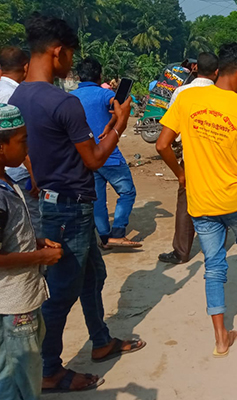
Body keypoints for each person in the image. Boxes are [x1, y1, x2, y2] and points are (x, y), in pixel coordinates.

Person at [9, 14, 145, 392]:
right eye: (69, 56)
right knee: (63, 290)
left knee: (93, 275)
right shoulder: (62, 102)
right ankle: (50, 368)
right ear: (58, 53)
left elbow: (34, 152)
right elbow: (94, 160)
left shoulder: (18, 96)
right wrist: (119, 123)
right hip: (71, 206)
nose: (70, 64)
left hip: (54, 199)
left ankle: (100, 340)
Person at [156, 42, 237, 357]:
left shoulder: (187, 99)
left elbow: (162, 145)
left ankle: (221, 337)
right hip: (236, 200)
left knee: (213, 264)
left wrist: (182, 175)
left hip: (201, 202)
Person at [0, 103, 64, 400]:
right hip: (14, 305)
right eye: (22, 140)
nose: (28, 146)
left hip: (22, 298)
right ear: (2, 147)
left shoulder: (7, 182)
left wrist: (34, 242)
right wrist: (39, 257)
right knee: (20, 378)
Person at [71, 57, 141, 249]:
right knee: (127, 191)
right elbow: (121, 108)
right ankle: (118, 231)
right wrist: (111, 126)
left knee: (98, 198)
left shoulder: (71, 97)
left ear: (78, 76)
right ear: (100, 75)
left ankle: (104, 238)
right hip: (108, 155)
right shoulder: (104, 94)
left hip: (85, 156)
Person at [159, 51, 219, 265]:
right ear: (217, 71)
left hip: (191, 155)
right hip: (219, 156)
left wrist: (179, 172)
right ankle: (217, 245)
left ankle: (182, 251)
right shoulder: (224, 94)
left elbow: (165, 137)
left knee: (186, 203)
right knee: (218, 200)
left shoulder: (181, 93)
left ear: (194, 69)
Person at [0, 47, 40, 233]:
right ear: (26, 67)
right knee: (33, 221)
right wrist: (34, 173)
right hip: (18, 168)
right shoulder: (16, 95)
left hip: (7, 169)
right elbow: (15, 138)